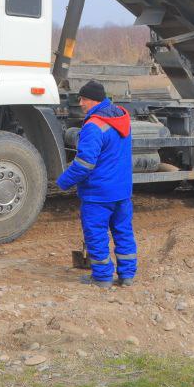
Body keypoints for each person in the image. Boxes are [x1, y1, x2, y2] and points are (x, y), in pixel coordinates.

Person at [56, 81, 137, 288]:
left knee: (97, 234)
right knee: (123, 232)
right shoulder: (121, 117)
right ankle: (127, 276)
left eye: (83, 99)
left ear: (93, 100)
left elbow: (84, 164)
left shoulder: (93, 126)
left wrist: (62, 182)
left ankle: (102, 278)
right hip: (122, 191)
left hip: (98, 194)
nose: (80, 103)